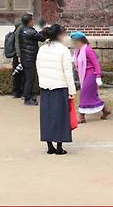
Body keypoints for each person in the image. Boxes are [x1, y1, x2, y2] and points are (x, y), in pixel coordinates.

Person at [36, 24, 76, 155]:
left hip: (45, 86)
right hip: (60, 86)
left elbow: (38, 67)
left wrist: (42, 82)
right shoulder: (63, 50)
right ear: (59, 35)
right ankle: (59, 146)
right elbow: (68, 72)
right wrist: (72, 90)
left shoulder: (42, 49)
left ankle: (49, 145)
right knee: (60, 116)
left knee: (46, 116)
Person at [70, 31, 110, 123]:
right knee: (92, 95)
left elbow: (96, 63)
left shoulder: (88, 50)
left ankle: (81, 116)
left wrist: (98, 76)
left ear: (80, 41)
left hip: (91, 75)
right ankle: (105, 110)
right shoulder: (78, 51)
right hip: (84, 75)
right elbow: (76, 60)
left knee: (83, 93)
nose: (74, 43)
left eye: (75, 41)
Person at [18, 13, 46, 106]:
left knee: (27, 78)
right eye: (32, 20)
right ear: (29, 21)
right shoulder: (30, 31)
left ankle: (28, 95)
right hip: (29, 58)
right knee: (30, 79)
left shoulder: (22, 30)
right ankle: (27, 99)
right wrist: (45, 30)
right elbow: (42, 38)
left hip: (25, 58)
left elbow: (36, 35)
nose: (33, 21)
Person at [11, 20, 25, 99]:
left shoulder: (16, 30)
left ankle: (16, 92)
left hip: (16, 56)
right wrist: (19, 56)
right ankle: (22, 92)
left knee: (17, 74)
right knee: (23, 74)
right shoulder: (21, 30)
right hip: (20, 55)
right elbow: (17, 44)